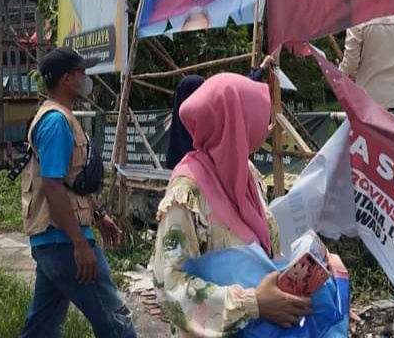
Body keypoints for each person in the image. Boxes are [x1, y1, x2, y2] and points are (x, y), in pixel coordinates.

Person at [153, 73, 312, 337]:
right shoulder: (187, 191)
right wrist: (250, 304)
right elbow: (168, 286)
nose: (265, 124)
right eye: (257, 114)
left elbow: (266, 258)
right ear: (236, 122)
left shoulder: (248, 176)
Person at [20, 46, 136, 338]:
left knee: (43, 327)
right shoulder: (56, 122)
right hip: (65, 242)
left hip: (54, 242)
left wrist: (98, 215)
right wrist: (80, 244)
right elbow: (52, 185)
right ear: (66, 80)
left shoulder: (61, 117)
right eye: (81, 72)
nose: (86, 78)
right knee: (117, 323)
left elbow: (72, 182)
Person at [164, 56, 275, 170]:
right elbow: (233, 91)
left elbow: (234, 88)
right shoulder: (206, 121)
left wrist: (261, 68)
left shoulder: (181, 125)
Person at [338, 15, 394, 124]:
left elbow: (351, 63)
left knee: (372, 140)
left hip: (371, 100)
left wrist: (339, 72)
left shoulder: (357, 25)